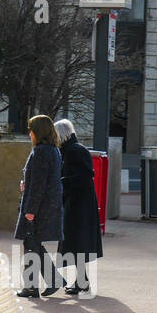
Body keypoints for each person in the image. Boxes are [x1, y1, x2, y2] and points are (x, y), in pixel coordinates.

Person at [15, 114, 64, 298]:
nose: (29, 133)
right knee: (33, 245)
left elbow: (38, 184)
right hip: (47, 206)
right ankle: (49, 281)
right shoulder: (53, 150)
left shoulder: (41, 151)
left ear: (38, 131)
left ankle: (32, 286)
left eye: (31, 130)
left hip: (38, 208)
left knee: (30, 245)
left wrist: (30, 210)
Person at [54, 118, 103, 296]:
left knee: (76, 243)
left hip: (79, 205)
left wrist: (61, 183)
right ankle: (82, 281)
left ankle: (82, 281)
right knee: (77, 244)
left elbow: (85, 174)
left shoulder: (73, 151)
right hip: (78, 203)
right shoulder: (72, 150)